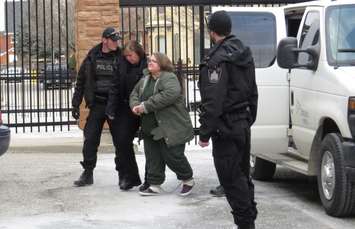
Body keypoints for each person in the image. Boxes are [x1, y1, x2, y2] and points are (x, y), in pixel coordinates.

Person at [198, 11, 258, 229]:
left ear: (212, 32)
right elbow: (253, 91)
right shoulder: (243, 52)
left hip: (226, 127)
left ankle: (245, 223)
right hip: (241, 124)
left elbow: (213, 100)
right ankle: (248, 219)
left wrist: (204, 133)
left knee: (231, 180)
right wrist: (248, 118)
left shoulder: (217, 58)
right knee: (242, 177)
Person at [129, 52, 195, 196]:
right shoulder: (145, 78)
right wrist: (135, 106)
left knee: (173, 156)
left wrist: (145, 106)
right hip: (150, 127)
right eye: (149, 60)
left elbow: (170, 94)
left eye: (154, 61)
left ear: (162, 64)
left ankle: (187, 180)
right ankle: (155, 184)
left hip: (170, 127)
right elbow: (134, 93)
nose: (150, 63)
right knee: (153, 156)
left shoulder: (169, 78)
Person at [71, 27, 123, 187]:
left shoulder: (121, 57)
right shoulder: (92, 57)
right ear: (104, 40)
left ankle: (124, 175)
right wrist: (75, 104)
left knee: (121, 141)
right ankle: (88, 173)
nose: (116, 43)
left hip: (115, 105)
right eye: (113, 40)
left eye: (117, 40)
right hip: (98, 105)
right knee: (90, 139)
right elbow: (81, 81)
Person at [106, 41, 147, 190]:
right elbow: (114, 86)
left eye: (131, 55)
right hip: (125, 108)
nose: (128, 58)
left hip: (144, 108)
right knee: (122, 142)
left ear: (139, 52)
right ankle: (128, 177)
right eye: (126, 55)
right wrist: (111, 108)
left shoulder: (148, 64)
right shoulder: (121, 64)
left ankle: (151, 180)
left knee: (150, 144)